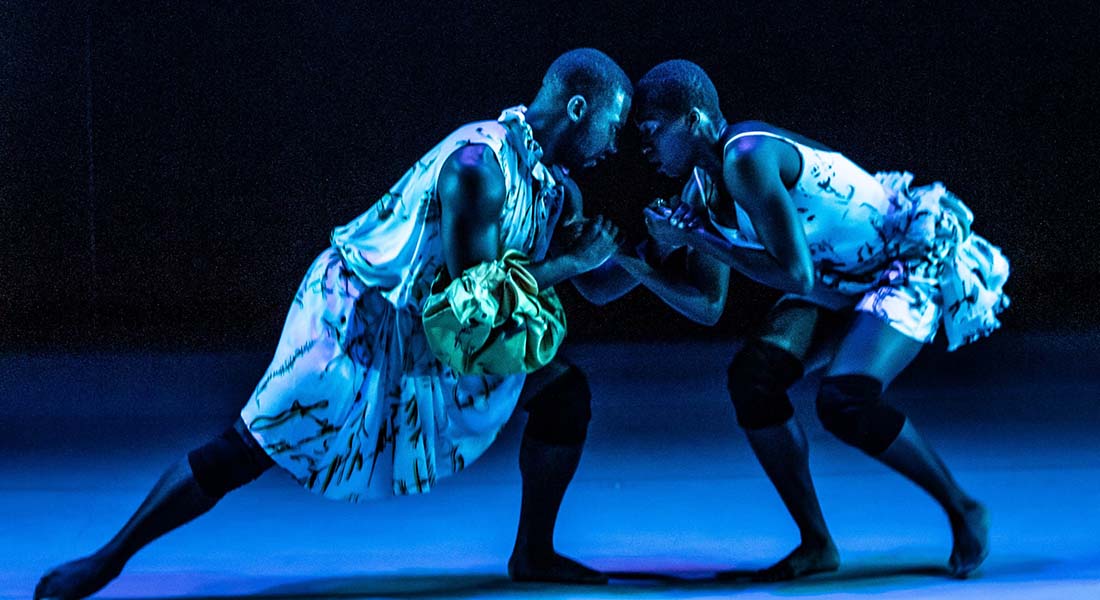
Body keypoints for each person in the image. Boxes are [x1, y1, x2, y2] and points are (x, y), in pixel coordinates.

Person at [35, 48, 632, 599]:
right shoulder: (479, 165)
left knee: (564, 394)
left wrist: (653, 259)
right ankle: (108, 559)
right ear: (578, 109)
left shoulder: (556, 191)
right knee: (244, 451)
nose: (615, 143)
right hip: (358, 320)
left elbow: (584, 282)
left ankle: (532, 551)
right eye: (613, 123)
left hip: (433, 336)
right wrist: (570, 261)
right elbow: (470, 300)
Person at [633, 59, 1010, 581]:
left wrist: (697, 239)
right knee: (753, 380)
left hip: (899, 261)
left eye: (652, 132)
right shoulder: (701, 190)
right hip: (837, 278)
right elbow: (709, 304)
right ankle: (816, 545)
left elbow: (796, 274)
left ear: (694, 120)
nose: (646, 148)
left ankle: (963, 508)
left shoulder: (746, 155)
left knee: (845, 400)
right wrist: (637, 264)